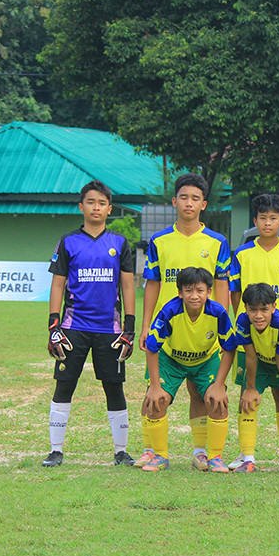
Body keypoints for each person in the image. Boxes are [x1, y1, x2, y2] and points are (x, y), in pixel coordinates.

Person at [136, 172, 231, 470]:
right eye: (184, 198)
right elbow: (151, 283)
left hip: (204, 329)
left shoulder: (217, 242)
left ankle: (202, 452)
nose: (189, 203)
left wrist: (221, 326)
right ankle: (152, 451)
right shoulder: (160, 240)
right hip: (168, 330)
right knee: (155, 394)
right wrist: (145, 324)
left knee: (201, 393)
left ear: (204, 204)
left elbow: (222, 286)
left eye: (195, 199)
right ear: (174, 201)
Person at [43, 180, 136, 467]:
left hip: (110, 330)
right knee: (65, 384)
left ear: (110, 208)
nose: (96, 207)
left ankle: (121, 451)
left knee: (113, 386)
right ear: (81, 206)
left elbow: (129, 288)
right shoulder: (68, 241)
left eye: (102, 203)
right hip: (73, 327)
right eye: (91, 202)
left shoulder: (119, 243)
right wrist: (53, 326)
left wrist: (129, 328)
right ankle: (55, 450)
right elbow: (58, 285)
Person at [226, 193, 279, 471]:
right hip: (250, 333)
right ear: (254, 220)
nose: (267, 223)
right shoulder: (242, 254)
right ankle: (245, 453)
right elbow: (234, 292)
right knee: (248, 395)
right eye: (262, 218)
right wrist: (238, 320)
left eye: (273, 218)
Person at [141, 268, 234, 472]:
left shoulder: (218, 312)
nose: (194, 296)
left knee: (217, 401)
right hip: (171, 359)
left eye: (200, 290)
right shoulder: (170, 311)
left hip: (205, 360)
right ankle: (160, 456)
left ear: (209, 292)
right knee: (157, 400)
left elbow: (229, 348)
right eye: (189, 290)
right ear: (180, 292)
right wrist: (155, 386)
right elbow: (152, 347)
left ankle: (213, 456)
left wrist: (219, 385)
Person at [232, 282, 279, 473]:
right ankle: (247, 459)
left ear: (274, 307)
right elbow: (249, 355)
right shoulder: (242, 322)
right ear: (245, 309)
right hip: (260, 359)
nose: (258, 315)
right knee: (247, 402)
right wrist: (250, 388)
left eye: (264, 309)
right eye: (253, 310)